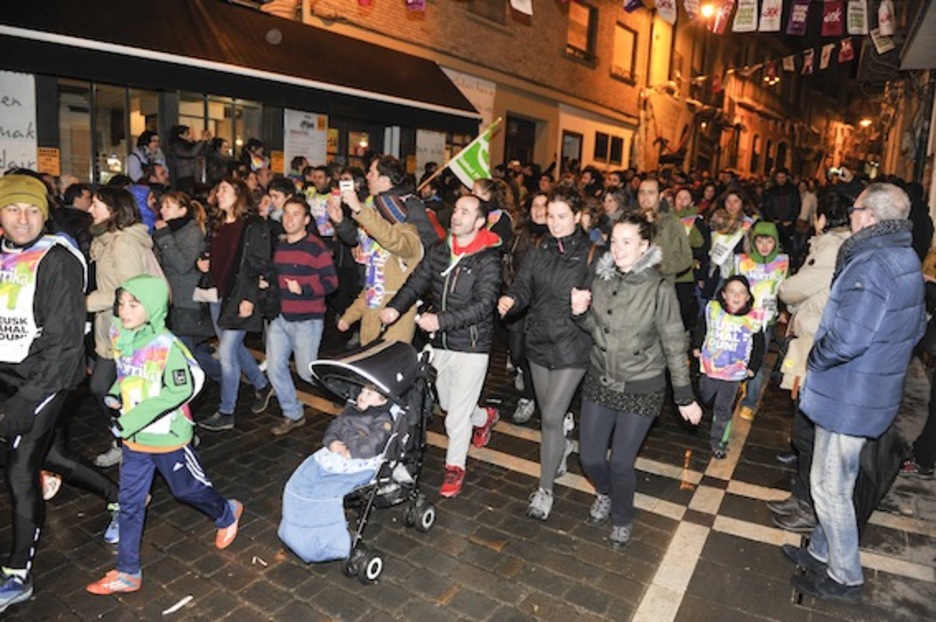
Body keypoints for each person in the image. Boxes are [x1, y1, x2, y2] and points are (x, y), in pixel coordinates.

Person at [783, 183, 926, 603]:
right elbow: (914, 327)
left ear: (870, 216)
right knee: (831, 480)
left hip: (849, 392)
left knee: (830, 487)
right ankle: (823, 551)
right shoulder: (904, 257)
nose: (852, 214)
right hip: (865, 389)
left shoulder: (874, 263)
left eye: (856, 207)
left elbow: (847, 339)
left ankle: (845, 576)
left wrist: (816, 359)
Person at [0, 175, 119, 614]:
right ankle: (120, 497)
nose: (23, 219)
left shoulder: (57, 260)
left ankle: (18, 576)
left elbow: (65, 343)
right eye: (13, 209)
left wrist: (25, 401)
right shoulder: (4, 255)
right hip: (10, 374)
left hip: (50, 378)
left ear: (45, 214)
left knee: (20, 468)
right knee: (53, 459)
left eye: (32, 210)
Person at [86, 276, 243, 595]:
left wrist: (129, 421)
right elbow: (129, 372)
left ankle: (226, 511)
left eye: (134, 304)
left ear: (154, 307)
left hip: (167, 438)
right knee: (129, 502)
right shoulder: (122, 333)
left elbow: (178, 390)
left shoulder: (167, 346)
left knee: (187, 490)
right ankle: (128, 571)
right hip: (135, 443)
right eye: (121, 302)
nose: (124, 310)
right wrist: (117, 393)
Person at [571, 213, 702, 549]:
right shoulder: (599, 279)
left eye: (626, 241)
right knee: (590, 458)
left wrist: (684, 396)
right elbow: (595, 329)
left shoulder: (658, 289)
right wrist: (580, 312)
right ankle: (605, 491)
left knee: (620, 462)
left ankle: (622, 517)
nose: (618, 248)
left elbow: (674, 343)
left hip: (642, 383)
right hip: (601, 378)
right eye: (614, 241)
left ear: (644, 246)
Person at [380, 194, 502, 497]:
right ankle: (484, 417)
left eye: (465, 212)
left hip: (472, 347)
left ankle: (455, 468)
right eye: (456, 209)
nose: (457, 216)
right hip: (440, 344)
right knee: (449, 405)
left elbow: (484, 305)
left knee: (455, 417)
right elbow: (417, 282)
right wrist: (396, 307)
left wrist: (441, 320)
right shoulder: (439, 251)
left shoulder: (488, 258)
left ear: (479, 221)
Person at [498, 186, 594, 520]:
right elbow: (523, 285)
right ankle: (563, 447)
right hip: (538, 342)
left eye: (562, 216)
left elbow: (601, 294)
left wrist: (588, 304)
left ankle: (544, 491)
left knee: (552, 416)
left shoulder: (591, 254)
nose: (554, 223)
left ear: (578, 216)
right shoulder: (538, 250)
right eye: (550, 216)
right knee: (550, 419)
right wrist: (512, 300)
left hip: (573, 344)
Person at [769, 192, 851, 533]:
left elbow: (794, 289)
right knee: (804, 424)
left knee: (808, 426)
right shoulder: (832, 244)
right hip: (813, 338)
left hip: (814, 342)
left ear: (823, 217)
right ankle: (801, 496)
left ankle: (806, 504)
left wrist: (783, 286)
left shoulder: (831, 246)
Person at [279, 385, 393, 563]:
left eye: (369, 394)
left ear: (382, 401)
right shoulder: (351, 410)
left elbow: (369, 447)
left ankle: (329, 542)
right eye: (362, 391)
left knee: (324, 495)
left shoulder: (382, 419)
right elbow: (334, 428)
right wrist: (331, 441)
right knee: (297, 484)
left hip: (358, 462)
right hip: (336, 455)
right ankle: (295, 532)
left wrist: (346, 436)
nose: (362, 395)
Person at [86, 187, 158, 468]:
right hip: (110, 330)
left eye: (96, 204)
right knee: (109, 390)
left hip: (129, 333)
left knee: (107, 388)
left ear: (113, 210)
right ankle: (126, 439)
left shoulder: (124, 243)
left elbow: (127, 292)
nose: (90, 209)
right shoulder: (104, 239)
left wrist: (84, 303)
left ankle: (139, 440)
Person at [196, 178, 274, 432]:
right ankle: (262, 385)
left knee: (227, 352)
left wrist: (249, 299)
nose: (219, 193)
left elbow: (259, 263)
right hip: (218, 294)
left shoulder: (253, 225)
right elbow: (211, 253)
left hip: (239, 296)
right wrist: (203, 262)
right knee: (235, 347)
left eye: (225, 189)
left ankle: (226, 411)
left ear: (239, 195)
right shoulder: (216, 223)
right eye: (219, 189)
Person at [330, 157, 425, 345]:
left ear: (385, 179)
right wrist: (340, 222)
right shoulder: (371, 202)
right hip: (372, 280)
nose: (367, 177)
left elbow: (398, 240)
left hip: (398, 297)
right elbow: (357, 238)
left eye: (372, 173)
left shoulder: (410, 207)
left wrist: (359, 209)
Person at [265, 195, 338, 436]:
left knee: (307, 372)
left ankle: (345, 393)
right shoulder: (281, 245)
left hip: (307, 320)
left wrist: (304, 289)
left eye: (295, 214)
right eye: (286, 213)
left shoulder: (316, 247)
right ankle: (293, 413)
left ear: (306, 220)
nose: (289, 219)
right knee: (275, 368)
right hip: (280, 317)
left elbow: (331, 283)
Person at [692, 276, 765, 458]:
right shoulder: (713, 310)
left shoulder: (753, 319)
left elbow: (759, 345)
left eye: (741, 292)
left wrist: (752, 367)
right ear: (724, 294)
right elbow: (701, 328)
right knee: (706, 397)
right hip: (711, 368)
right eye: (732, 291)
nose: (737, 296)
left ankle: (719, 442)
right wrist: (696, 346)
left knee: (723, 408)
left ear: (748, 297)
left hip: (733, 374)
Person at [152, 191, 220, 383]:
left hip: (187, 299)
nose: (162, 210)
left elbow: (182, 264)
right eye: (162, 205)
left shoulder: (192, 232)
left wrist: (163, 237)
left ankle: (223, 376)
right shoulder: (171, 230)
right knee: (187, 348)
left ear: (182, 210)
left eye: (168, 206)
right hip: (173, 297)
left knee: (186, 351)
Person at [734, 221, 789, 421]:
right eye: (760, 241)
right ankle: (736, 386)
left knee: (757, 360)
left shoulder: (782, 264)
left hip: (766, 322)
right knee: (738, 356)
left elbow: (786, 290)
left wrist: (783, 310)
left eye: (769, 241)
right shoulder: (742, 262)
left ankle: (750, 401)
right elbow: (733, 285)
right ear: (753, 242)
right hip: (741, 319)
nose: (765, 246)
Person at [504, 192, 549, 424]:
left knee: (536, 356)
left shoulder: (555, 236)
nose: (539, 210)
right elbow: (509, 264)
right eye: (535, 205)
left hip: (544, 308)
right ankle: (526, 377)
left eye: (544, 205)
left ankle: (529, 397)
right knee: (518, 353)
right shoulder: (520, 234)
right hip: (521, 304)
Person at [635, 178, 693, 283]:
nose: (645, 198)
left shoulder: (671, 222)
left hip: (660, 284)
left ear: (660, 196)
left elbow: (686, 257)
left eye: (651, 193)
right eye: (642, 193)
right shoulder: (631, 220)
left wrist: (661, 267)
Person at [166, 124, 211, 194]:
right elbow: (191, 154)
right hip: (184, 179)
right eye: (188, 133)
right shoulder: (176, 147)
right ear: (180, 135)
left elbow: (204, 153)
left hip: (195, 178)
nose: (191, 136)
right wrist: (202, 141)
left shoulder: (193, 145)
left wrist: (207, 142)